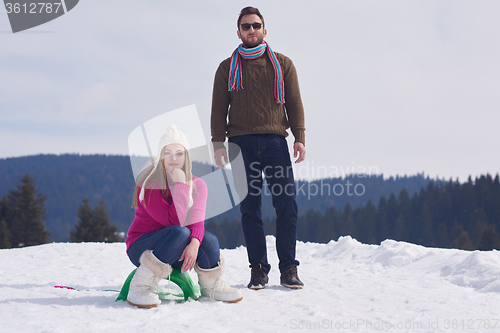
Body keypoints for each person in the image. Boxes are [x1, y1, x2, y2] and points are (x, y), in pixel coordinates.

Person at [210, 6, 306, 290]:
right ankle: (258, 270)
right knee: (250, 209)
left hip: (276, 141)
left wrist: (299, 136)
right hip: (241, 143)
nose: (251, 30)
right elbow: (218, 110)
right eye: (245, 26)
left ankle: (288, 268)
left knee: (286, 205)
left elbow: (295, 103)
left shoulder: (283, 64)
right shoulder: (226, 68)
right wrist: (218, 144)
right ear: (238, 32)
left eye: (256, 25)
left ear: (265, 30)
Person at [125, 125, 243, 307]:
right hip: (142, 248)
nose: (174, 159)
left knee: (208, 240)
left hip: (176, 249)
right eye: (168, 153)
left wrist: (195, 244)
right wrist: (180, 185)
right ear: (160, 155)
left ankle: (211, 286)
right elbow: (173, 221)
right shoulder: (149, 183)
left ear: (186, 156)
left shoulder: (198, 185)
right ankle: (140, 286)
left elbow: (196, 221)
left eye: (179, 153)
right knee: (180, 232)